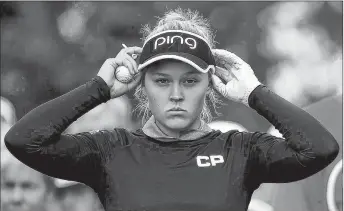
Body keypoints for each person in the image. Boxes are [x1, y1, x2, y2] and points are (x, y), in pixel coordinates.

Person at [4, 8, 339, 211]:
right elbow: (23, 140)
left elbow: (320, 149)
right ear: (142, 84)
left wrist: (253, 92)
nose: (176, 94)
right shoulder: (111, 150)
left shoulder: (239, 150)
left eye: (190, 82)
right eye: (162, 81)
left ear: (209, 85)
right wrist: (99, 89)